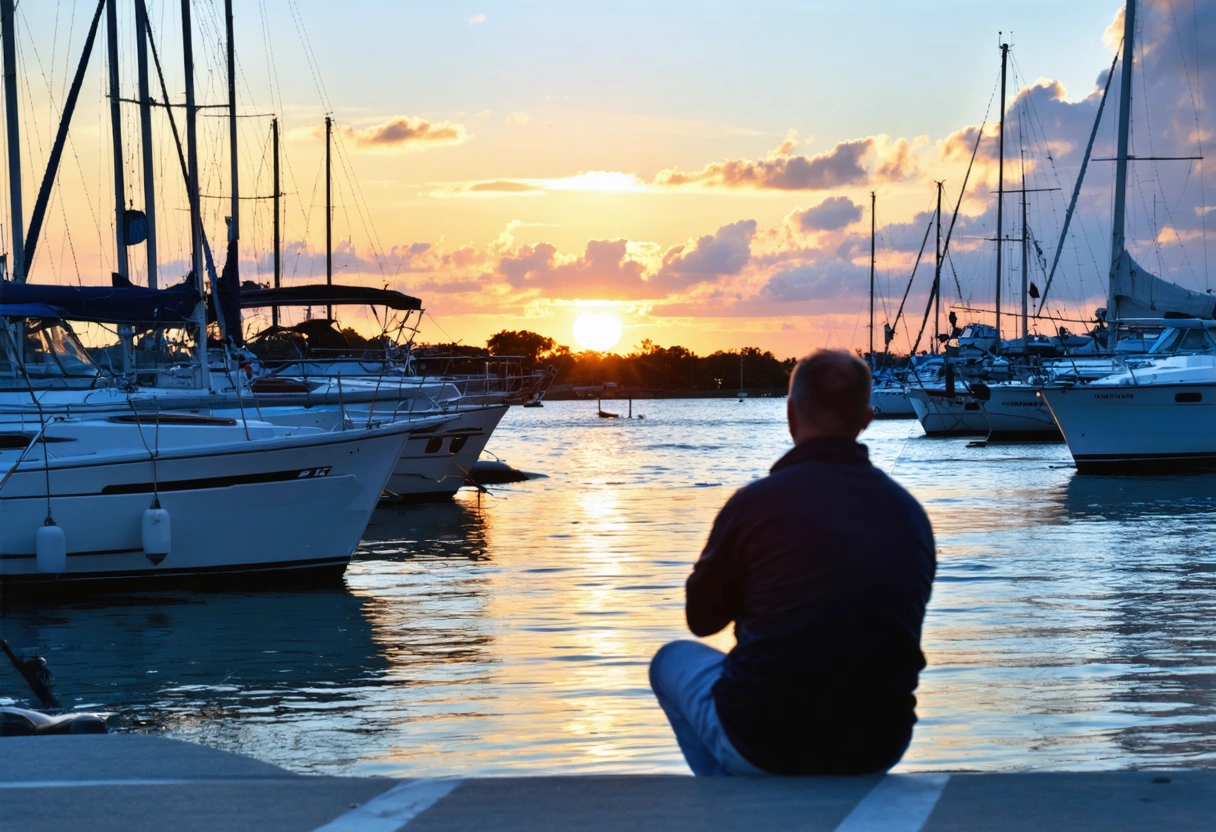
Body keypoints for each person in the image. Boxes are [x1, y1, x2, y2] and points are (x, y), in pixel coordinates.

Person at [649, 349, 936, 776]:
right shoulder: (910, 513)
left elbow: (701, 620)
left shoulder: (754, 505)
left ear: (791, 413)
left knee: (669, 661)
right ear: (866, 418)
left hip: (765, 740)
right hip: (878, 744)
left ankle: (727, 803)